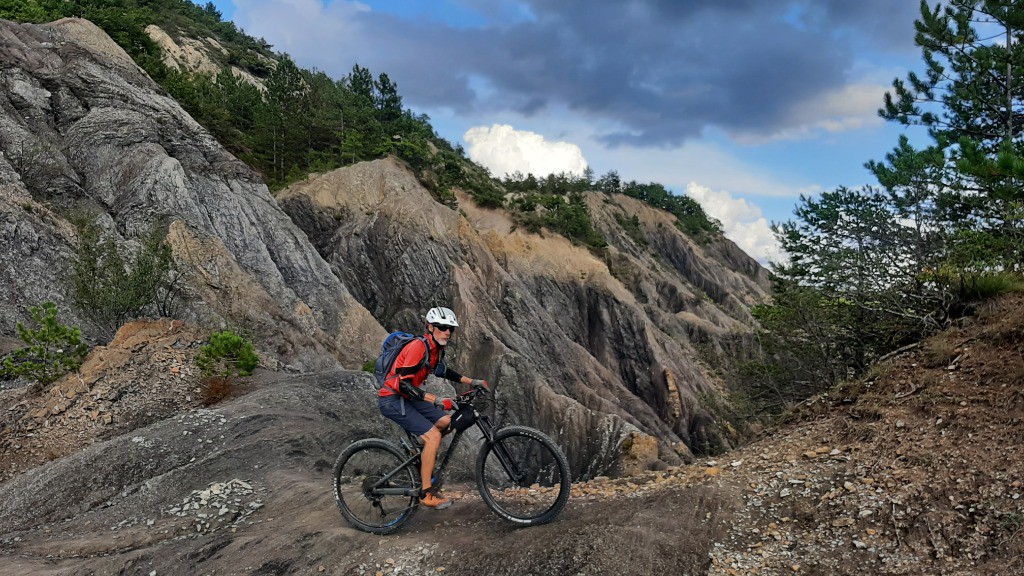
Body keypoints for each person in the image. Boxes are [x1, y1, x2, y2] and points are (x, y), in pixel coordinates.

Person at [378, 306, 488, 509]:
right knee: (434, 437)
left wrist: (472, 381)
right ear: (430, 326)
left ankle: (421, 454)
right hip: (392, 399)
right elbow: (403, 383)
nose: (447, 332)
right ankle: (426, 494)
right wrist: (436, 400)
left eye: (450, 329)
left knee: (448, 422)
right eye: (442, 327)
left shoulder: (435, 349)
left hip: (408, 397)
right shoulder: (418, 347)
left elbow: (443, 371)